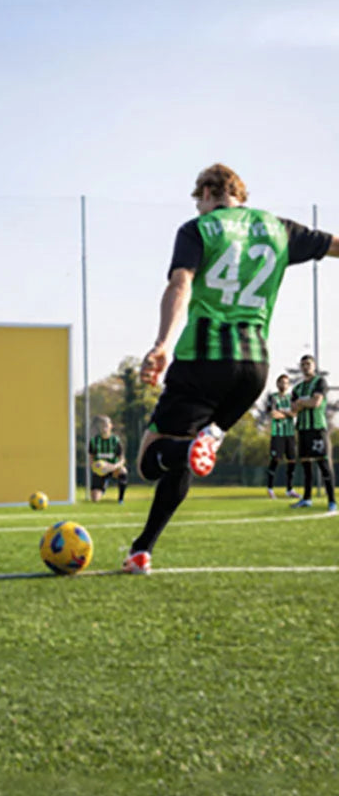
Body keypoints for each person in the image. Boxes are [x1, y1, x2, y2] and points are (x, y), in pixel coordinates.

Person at [122, 163, 339, 575]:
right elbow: (334, 245)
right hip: (254, 370)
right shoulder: (279, 229)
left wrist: (163, 344)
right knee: (187, 456)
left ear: (207, 193)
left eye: (198, 199)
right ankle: (141, 551)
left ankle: (192, 447)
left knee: (151, 459)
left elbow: (180, 285)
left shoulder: (197, 229)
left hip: (203, 360)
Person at [289, 353, 337, 512]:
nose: (305, 367)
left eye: (308, 364)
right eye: (303, 365)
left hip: (317, 428)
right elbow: (294, 409)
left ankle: (332, 501)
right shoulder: (297, 388)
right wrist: (303, 403)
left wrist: (302, 403)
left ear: (314, 366)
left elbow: (316, 403)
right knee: (306, 465)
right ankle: (307, 499)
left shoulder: (320, 382)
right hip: (302, 429)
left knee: (323, 464)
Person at [264, 373, 298, 499]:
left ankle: (289, 489)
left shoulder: (291, 398)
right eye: (281, 382)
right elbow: (273, 414)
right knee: (275, 460)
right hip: (277, 434)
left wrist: (283, 412)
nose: (283, 384)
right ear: (277, 384)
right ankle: (270, 488)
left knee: (292, 461)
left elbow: (295, 413)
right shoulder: (272, 397)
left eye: (286, 382)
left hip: (290, 434)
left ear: (288, 385)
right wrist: (287, 413)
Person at [87, 415, 128, 504]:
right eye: (102, 425)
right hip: (100, 470)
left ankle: (120, 499)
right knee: (95, 499)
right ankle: (103, 486)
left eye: (106, 425)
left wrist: (113, 466)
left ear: (111, 426)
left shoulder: (115, 440)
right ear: (99, 427)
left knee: (123, 471)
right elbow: (91, 457)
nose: (104, 427)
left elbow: (122, 459)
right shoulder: (94, 441)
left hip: (113, 469)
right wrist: (95, 467)